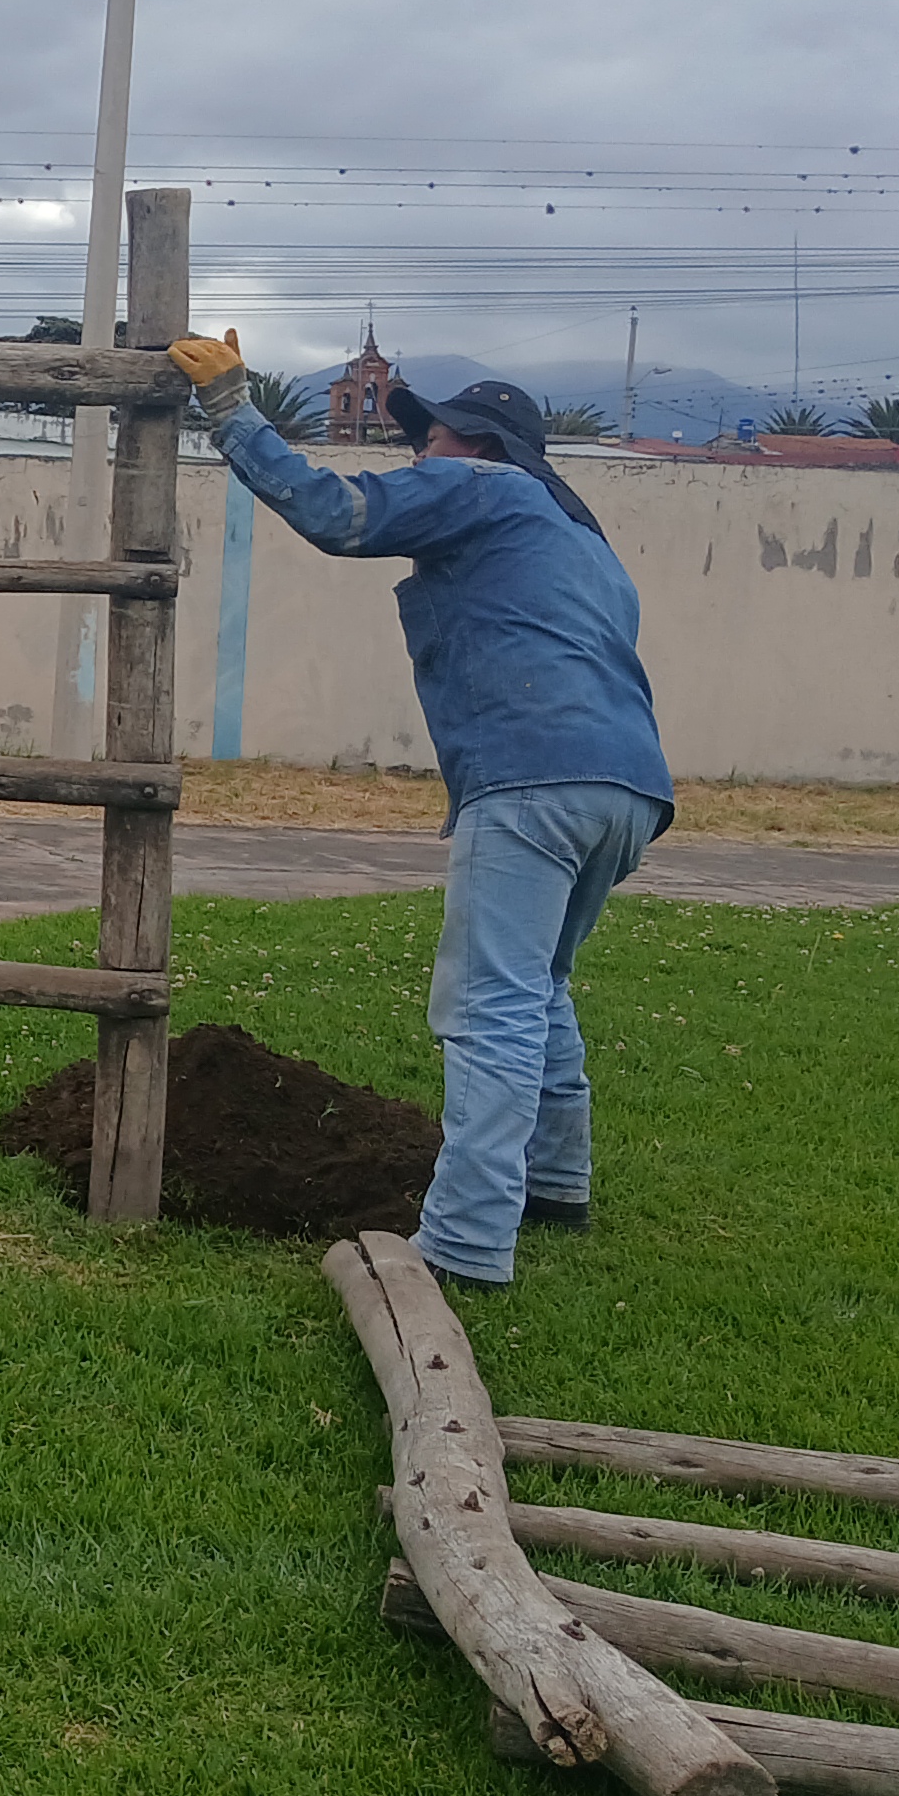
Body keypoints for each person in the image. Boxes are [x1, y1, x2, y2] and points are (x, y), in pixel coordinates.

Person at [169, 340, 673, 1292]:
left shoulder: (484, 487)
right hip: (630, 787)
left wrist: (232, 410)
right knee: (541, 985)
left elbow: (337, 512)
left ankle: (468, 1243)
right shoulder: (584, 542)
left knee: (491, 1007)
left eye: (430, 435)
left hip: (530, 779)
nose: (419, 452)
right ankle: (556, 1183)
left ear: (478, 444)